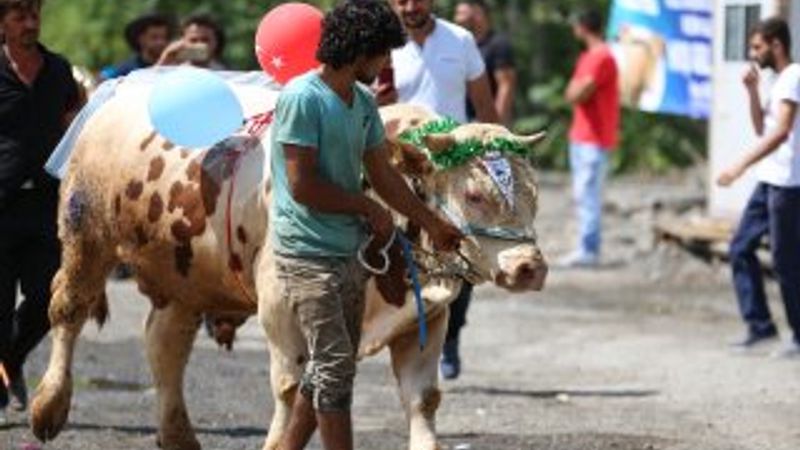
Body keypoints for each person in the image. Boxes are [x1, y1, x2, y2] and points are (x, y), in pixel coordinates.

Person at [271, 1, 463, 448]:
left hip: (348, 251)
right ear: (360, 51)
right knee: (336, 366)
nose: (386, 64)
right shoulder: (303, 98)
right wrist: (366, 207)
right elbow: (302, 185)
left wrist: (432, 224)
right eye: (382, 53)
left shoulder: (360, 101)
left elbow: (384, 176)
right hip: (306, 253)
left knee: (330, 365)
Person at [382, 0, 498, 381]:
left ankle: (450, 337)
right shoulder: (381, 42)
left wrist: (495, 158)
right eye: (401, 0)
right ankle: (397, 337)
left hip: (451, 167)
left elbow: (485, 107)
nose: (410, 6)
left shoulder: (460, 40)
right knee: (393, 253)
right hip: (394, 165)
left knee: (461, 254)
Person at [0, 0, 82, 417]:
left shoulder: (58, 69)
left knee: (48, 298)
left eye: (35, 16)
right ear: (3, 23)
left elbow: (74, 121)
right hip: (2, 202)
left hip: (46, 203)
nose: (31, 24)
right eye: (20, 17)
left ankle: (8, 362)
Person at [717, 18, 800, 358]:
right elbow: (760, 129)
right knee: (740, 247)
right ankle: (761, 326)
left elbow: (781, 132)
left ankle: (798, 335)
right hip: (769, 181)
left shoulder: (794, 76)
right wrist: (752, 92)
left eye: (757, 47)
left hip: (788, 185)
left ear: (776, 45)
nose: (752, 54)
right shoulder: (776, 81)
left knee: (786, 259)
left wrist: (739, 166)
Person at [558, 9, 619, 268]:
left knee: (588, 194)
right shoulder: (588, 57)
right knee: (582, 194)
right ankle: (585, 246)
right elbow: (571, 92)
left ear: (583, 27)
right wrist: (574, 90)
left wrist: (575, 90)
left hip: (594, 138)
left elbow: (578, 93)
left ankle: (589, 250)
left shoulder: (602, 57)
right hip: (582, 135)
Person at [454, 0, 517, 125]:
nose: (457, 19)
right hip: (460, 122)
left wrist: (495, 126)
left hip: (485, 124)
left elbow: (506, 86)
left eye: (462, 13)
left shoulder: (498, 45)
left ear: (478, 13)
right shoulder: (460, 46)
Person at [98, 12, 174, 80]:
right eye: (154, 37)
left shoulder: (173, 67)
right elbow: (103, 80)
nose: (161, 42)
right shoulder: (126, 69)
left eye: (164, 37)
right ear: (141, 39)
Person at [156, 13, 227, 69]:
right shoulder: (173, 72)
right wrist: (164, 60)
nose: (199, 45)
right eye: (193, 40)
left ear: (217, 42)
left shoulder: (227, 74)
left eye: (205, 40)